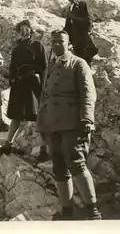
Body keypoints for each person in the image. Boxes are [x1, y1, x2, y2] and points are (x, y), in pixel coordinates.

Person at [36, 29, 102, 221]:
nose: (57, 44)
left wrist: (87, 119)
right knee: (58, 166)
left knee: (76, 161)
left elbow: (89, 93)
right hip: (52, 123)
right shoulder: (51, 67)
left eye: (61, 41)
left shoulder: (78, 63)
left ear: (69, 44)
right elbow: (44, 98)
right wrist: (41, 124)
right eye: (54, 41)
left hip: (73, 122)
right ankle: (67, 211)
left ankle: (93, 210)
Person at [0, 20, 49, 161]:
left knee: (39, 117)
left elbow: (44, 66)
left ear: (30, 30)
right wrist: (12, 79)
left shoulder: (37, 45)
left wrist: (43, 85)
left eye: (26, 28)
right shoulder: (17, 47)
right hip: (18, 84)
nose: (24, 31)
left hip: (33, 83)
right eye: (21, 29)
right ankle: (8, 144)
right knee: (16, 116)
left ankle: (44, 149)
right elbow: (12, 66)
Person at [59, 0, 99, 66]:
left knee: (87, 65)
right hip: (76, 43)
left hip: (85, 41)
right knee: (80, 65)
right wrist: (61, 34)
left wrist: (73, 17)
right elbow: (67, 27)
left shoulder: (82, 5)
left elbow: (88, 21)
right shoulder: (69, 9)